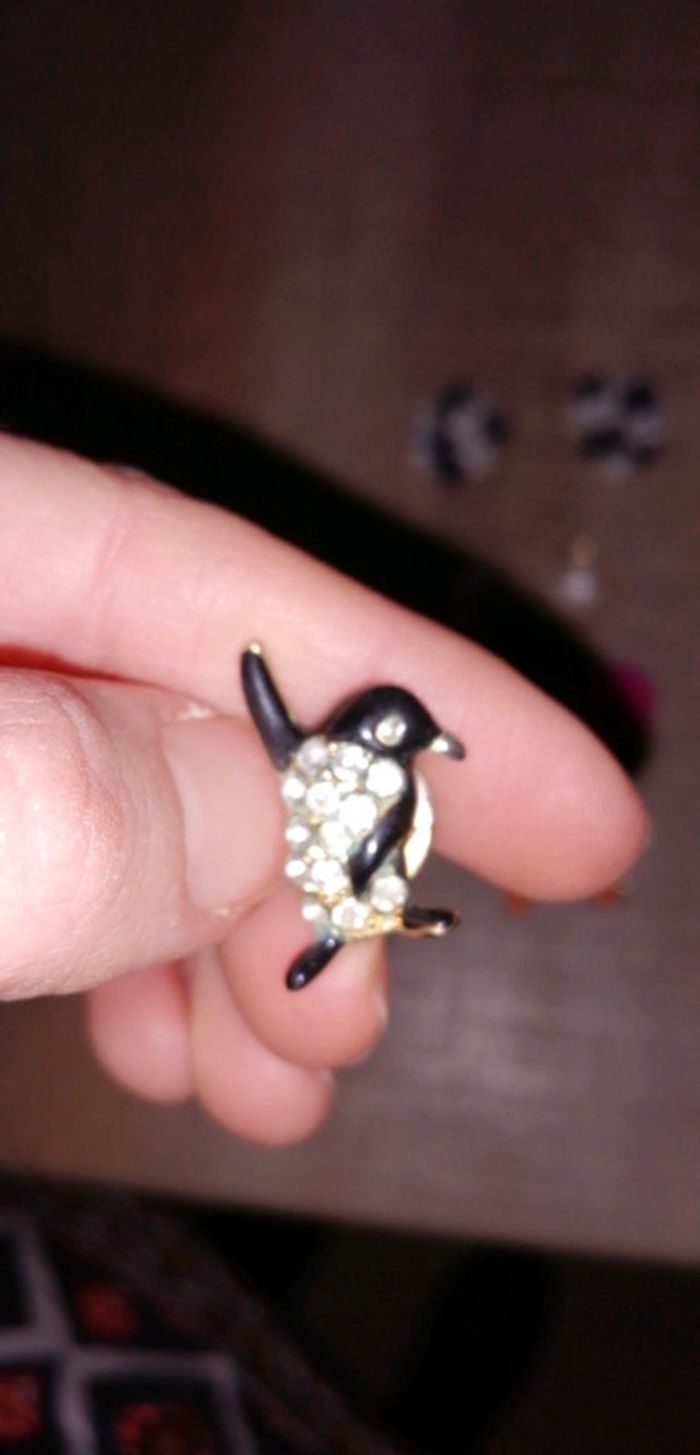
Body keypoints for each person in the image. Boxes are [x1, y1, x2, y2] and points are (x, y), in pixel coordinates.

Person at [0, 435, 647, 1146]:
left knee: (337, 935)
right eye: (413, 734)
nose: (425, 744)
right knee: (333, 935)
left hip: (333, 872)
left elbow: (313, 764)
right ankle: (354, 927)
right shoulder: (353, 773)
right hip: (327, 866)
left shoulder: (362, 773)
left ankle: (354, 928)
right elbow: (315, 769)